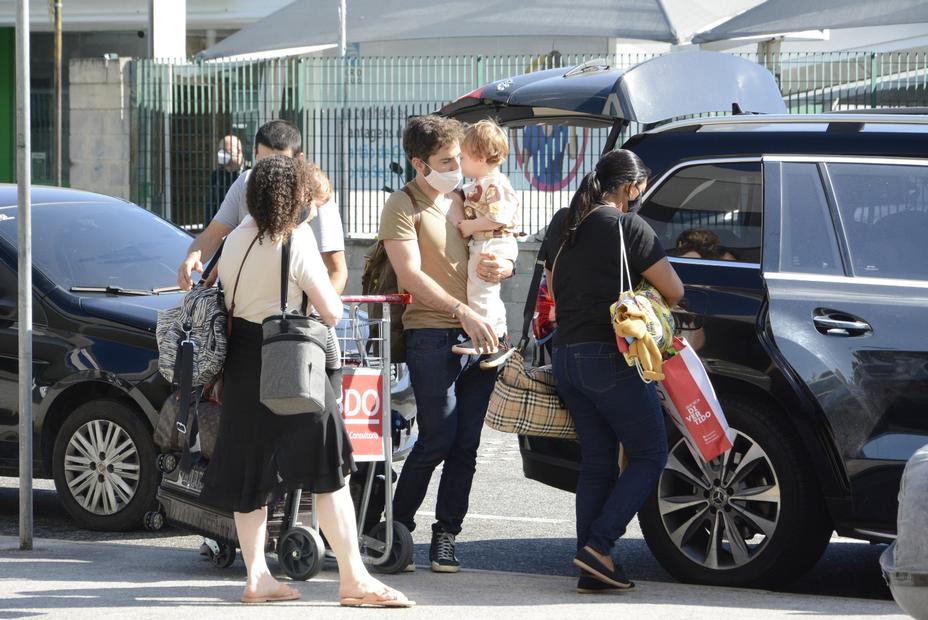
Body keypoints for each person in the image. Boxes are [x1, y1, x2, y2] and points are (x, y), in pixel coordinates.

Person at [199, 155, 412, 608]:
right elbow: (332, 311)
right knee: (329, 470)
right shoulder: (294, 241)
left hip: (242, 364)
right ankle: (354, 578)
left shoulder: (235, 240)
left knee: (248, 474)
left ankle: (257, 577)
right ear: (292, 196)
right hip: (292, 363)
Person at [541, 149, 684, 593]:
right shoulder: (628, 227)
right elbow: (674, 290)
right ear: (631, 188)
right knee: (648, 454)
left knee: (598, 463)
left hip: (566, 356)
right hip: (609, 356)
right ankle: (600, 546)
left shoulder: (564, 222)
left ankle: (591, 567)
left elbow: (550, 287)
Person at [379, 114, 515, 573]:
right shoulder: (403, 205)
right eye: (445, 160)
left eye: (459, 157)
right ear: (419, 163)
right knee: (437, 437)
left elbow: (501, 239)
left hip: (483, 333)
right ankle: (394, 528)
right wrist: (462, 311)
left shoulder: (467, 196)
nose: (457, 166)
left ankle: (447, 535)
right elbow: (409, 275)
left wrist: (505, 269)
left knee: (467, 444)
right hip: (433, 334)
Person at [177, 120, 348, 295]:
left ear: (299, 160)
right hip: (243, 311)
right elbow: (211, 236)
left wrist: (313, 312)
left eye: (280, 163)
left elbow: (338, 271)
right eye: (265, 163)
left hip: (295, 315)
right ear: (255, 154)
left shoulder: (317, 194)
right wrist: (193, 257)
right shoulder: (244, 183)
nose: (271, 173)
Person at [452, 119, 520, 368]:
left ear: (480, 157)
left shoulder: (494, 184)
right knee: (486, 292)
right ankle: (499, 339)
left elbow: (498, 217)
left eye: (464, 157)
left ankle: (486, 338)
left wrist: (469, 226)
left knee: (480, 290)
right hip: (491, 242)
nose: (460, 163)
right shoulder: (486, 183)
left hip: (492, 241)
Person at [210, 135, 245, 221]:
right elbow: (211, 205)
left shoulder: (248, 175)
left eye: (225, 151)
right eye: (220, 150)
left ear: (239, 152)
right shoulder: (216, 175)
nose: (221, 154)